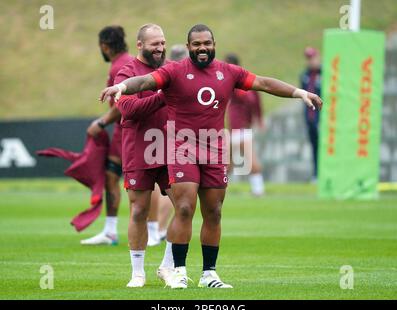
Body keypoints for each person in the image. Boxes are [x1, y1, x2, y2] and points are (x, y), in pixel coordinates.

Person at [100, 24, 322, 289]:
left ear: (214, 44)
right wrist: (123, 86)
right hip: (180, 148)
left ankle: (209, 274)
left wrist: (300, 93)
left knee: (214, 212)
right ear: (189, 46)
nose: (202, 48)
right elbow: (146, 81)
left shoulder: (228, 72)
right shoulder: (175, 70)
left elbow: (262, 83)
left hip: (214, 149)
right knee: (183, 207)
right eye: (196, 44)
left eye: (206, 43)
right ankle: (178, 271)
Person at [113, 24, 174, 288]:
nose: (160, 48)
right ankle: (138, 272)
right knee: (138, 210)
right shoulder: (126, 72)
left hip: (170, 148)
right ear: (139, 45)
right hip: (139, 149)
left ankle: (169, 267)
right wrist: (162, 97)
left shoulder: (170, 69)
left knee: (184, 206)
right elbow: (129, 110)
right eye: (154, 44)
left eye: (162, 43)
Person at [81, 26, 134, 246]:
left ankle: (115, 231)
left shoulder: (119, 67)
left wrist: (100, 123)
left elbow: (122, 106)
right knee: (121, 178)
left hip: (126, 131)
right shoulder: (128, 61)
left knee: (119, 179)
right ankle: (151, 230)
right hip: (128, 130)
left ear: (104, 46)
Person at [157, 44, 189, 241]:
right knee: (176, 190)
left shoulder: (164, 74)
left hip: (158, 136)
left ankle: (157, 229)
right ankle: (160, 230)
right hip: (175, 138)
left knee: (166, 188)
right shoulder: (179, 77)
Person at [225, 53, 265, 196]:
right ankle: (219, 189)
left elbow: (255, 102)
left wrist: (259, 120)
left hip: (242, 129)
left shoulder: (241, 82)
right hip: (233, 129)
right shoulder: (231, 83)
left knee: (249, 161)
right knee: (227, 163)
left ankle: (258, 190)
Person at [300, 47, 321, 181]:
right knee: (314, 146)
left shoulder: (326, 73)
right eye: (308, 58)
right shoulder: (304, 75)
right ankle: (316, 174)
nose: (311, 61)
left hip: (323, 117)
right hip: (310, 117)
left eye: (312, 57)